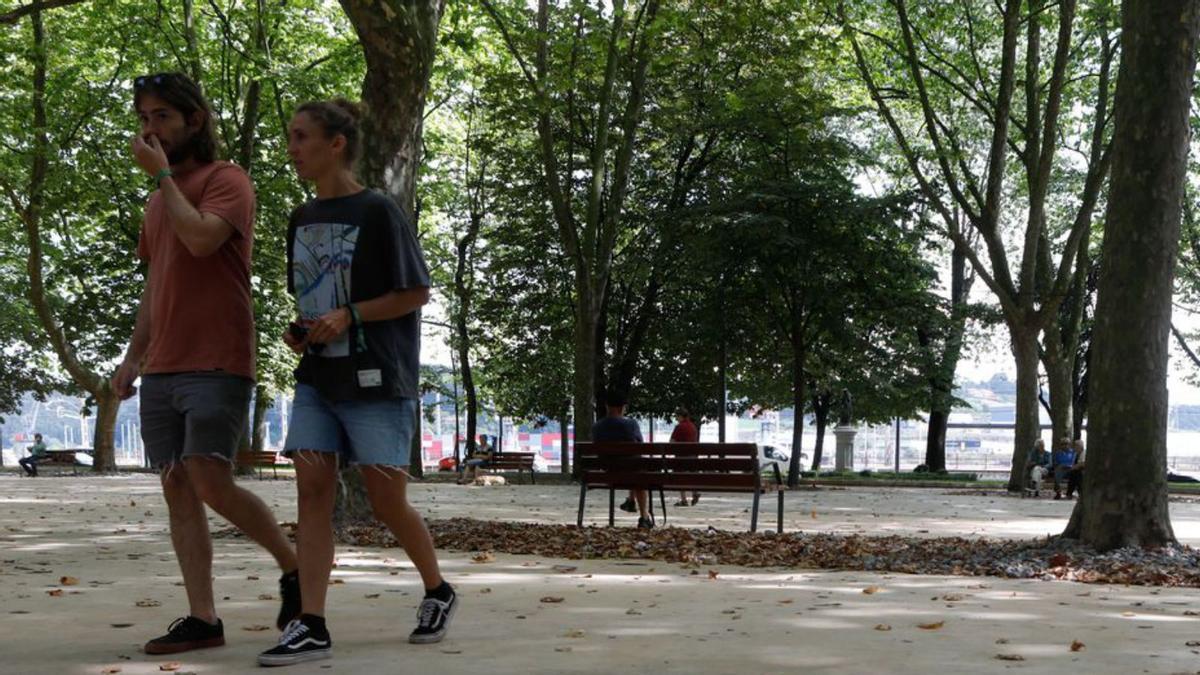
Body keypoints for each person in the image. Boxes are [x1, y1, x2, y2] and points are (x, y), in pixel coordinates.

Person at [258, 99, 455, 667]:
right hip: (318, 376)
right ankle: (311, 624)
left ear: (335, 143)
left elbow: (415, 293)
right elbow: (311, 296)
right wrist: (305, 331)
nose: (291, 147)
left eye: (301, 137)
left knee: (386, 500)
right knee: (312, 493)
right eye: (290, 136)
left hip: (376, 379)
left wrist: (351, 315)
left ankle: (438, 591)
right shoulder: (300, 219)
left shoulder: (378, 212)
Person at [109, 72, 300, 657]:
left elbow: (199, 241)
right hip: (163, 362)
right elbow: (157, 281)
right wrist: (131, 358)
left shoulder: (227, 180)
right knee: (175, 484)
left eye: (162, 116)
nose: (150, 128)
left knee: (209, 477)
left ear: (194, 120)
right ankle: (203, 618)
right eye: (144, 118)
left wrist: (163, 177)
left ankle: (294, 568)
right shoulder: (154, 199)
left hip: (217, 356)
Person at [594, 388, 651, 528]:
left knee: (632, 467)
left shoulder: (597, 427)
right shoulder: (631, 424)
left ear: (606, 406)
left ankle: (631, 502)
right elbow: (640, 446)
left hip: (608, 473)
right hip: (632, 472)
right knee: (636, 470)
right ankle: (644, 516)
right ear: (622, 407)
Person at [671, 408, 700, 507]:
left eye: (676, 417)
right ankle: (695, 492)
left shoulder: (679, 427)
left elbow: (671, 442)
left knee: (679, 475)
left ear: (680, 416)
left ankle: (684, 500)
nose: (676, 419)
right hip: (693, 458)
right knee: (692, 474)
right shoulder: (693, 427)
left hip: (681, 458)